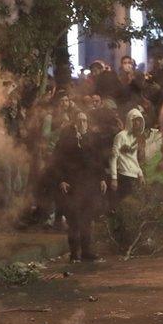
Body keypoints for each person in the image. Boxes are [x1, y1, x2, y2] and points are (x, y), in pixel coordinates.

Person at [51, 112, 107, 262]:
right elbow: (56, 162)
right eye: (80, 121)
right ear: (74, 123)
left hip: (89, 184)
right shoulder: (65, 141)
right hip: (72, 184)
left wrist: (102, 178)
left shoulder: (91, 139)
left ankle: (87, 252)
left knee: (87, 219)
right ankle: (75, 253)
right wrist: (61, 180)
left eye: (85, 120)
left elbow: (97, 160)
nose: (83, 123)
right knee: (74, 219)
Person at [109, 108, 146, 200]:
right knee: (122, 203)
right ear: (130, 121)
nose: (138, 123)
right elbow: (113, 157)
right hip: (123, 176)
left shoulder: (136, 139)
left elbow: (134, 159)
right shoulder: (121, 136)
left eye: (139, 121)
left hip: (134, 177)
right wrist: (114, 178)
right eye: (136, 120)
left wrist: (140, 174)